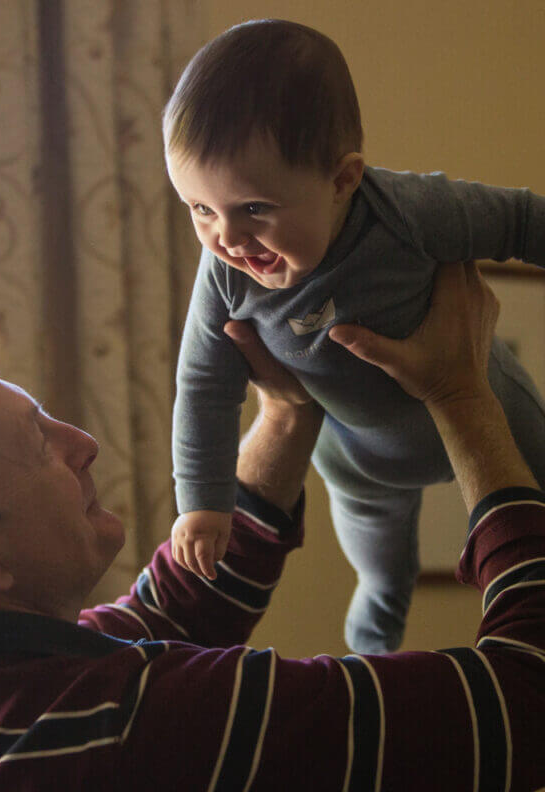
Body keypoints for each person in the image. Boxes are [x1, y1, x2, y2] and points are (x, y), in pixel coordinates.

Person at [0, 262, 545, 792]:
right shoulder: (129, 730)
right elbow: (522, 703)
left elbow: (167, 614)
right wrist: (461, 393)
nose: (82, 441)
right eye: (39, 444)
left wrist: (285, 417)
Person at [164, 18, 545, 654]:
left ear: (343, 180)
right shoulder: (226, 278)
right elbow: (203, 386)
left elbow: (521, 220)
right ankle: (373, 663)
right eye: (201, 209)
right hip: (360, 464)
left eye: (253, 208)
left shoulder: (408, 212)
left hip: (492, 409)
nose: (225, 238)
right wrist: (202, 502)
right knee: (381, 577)